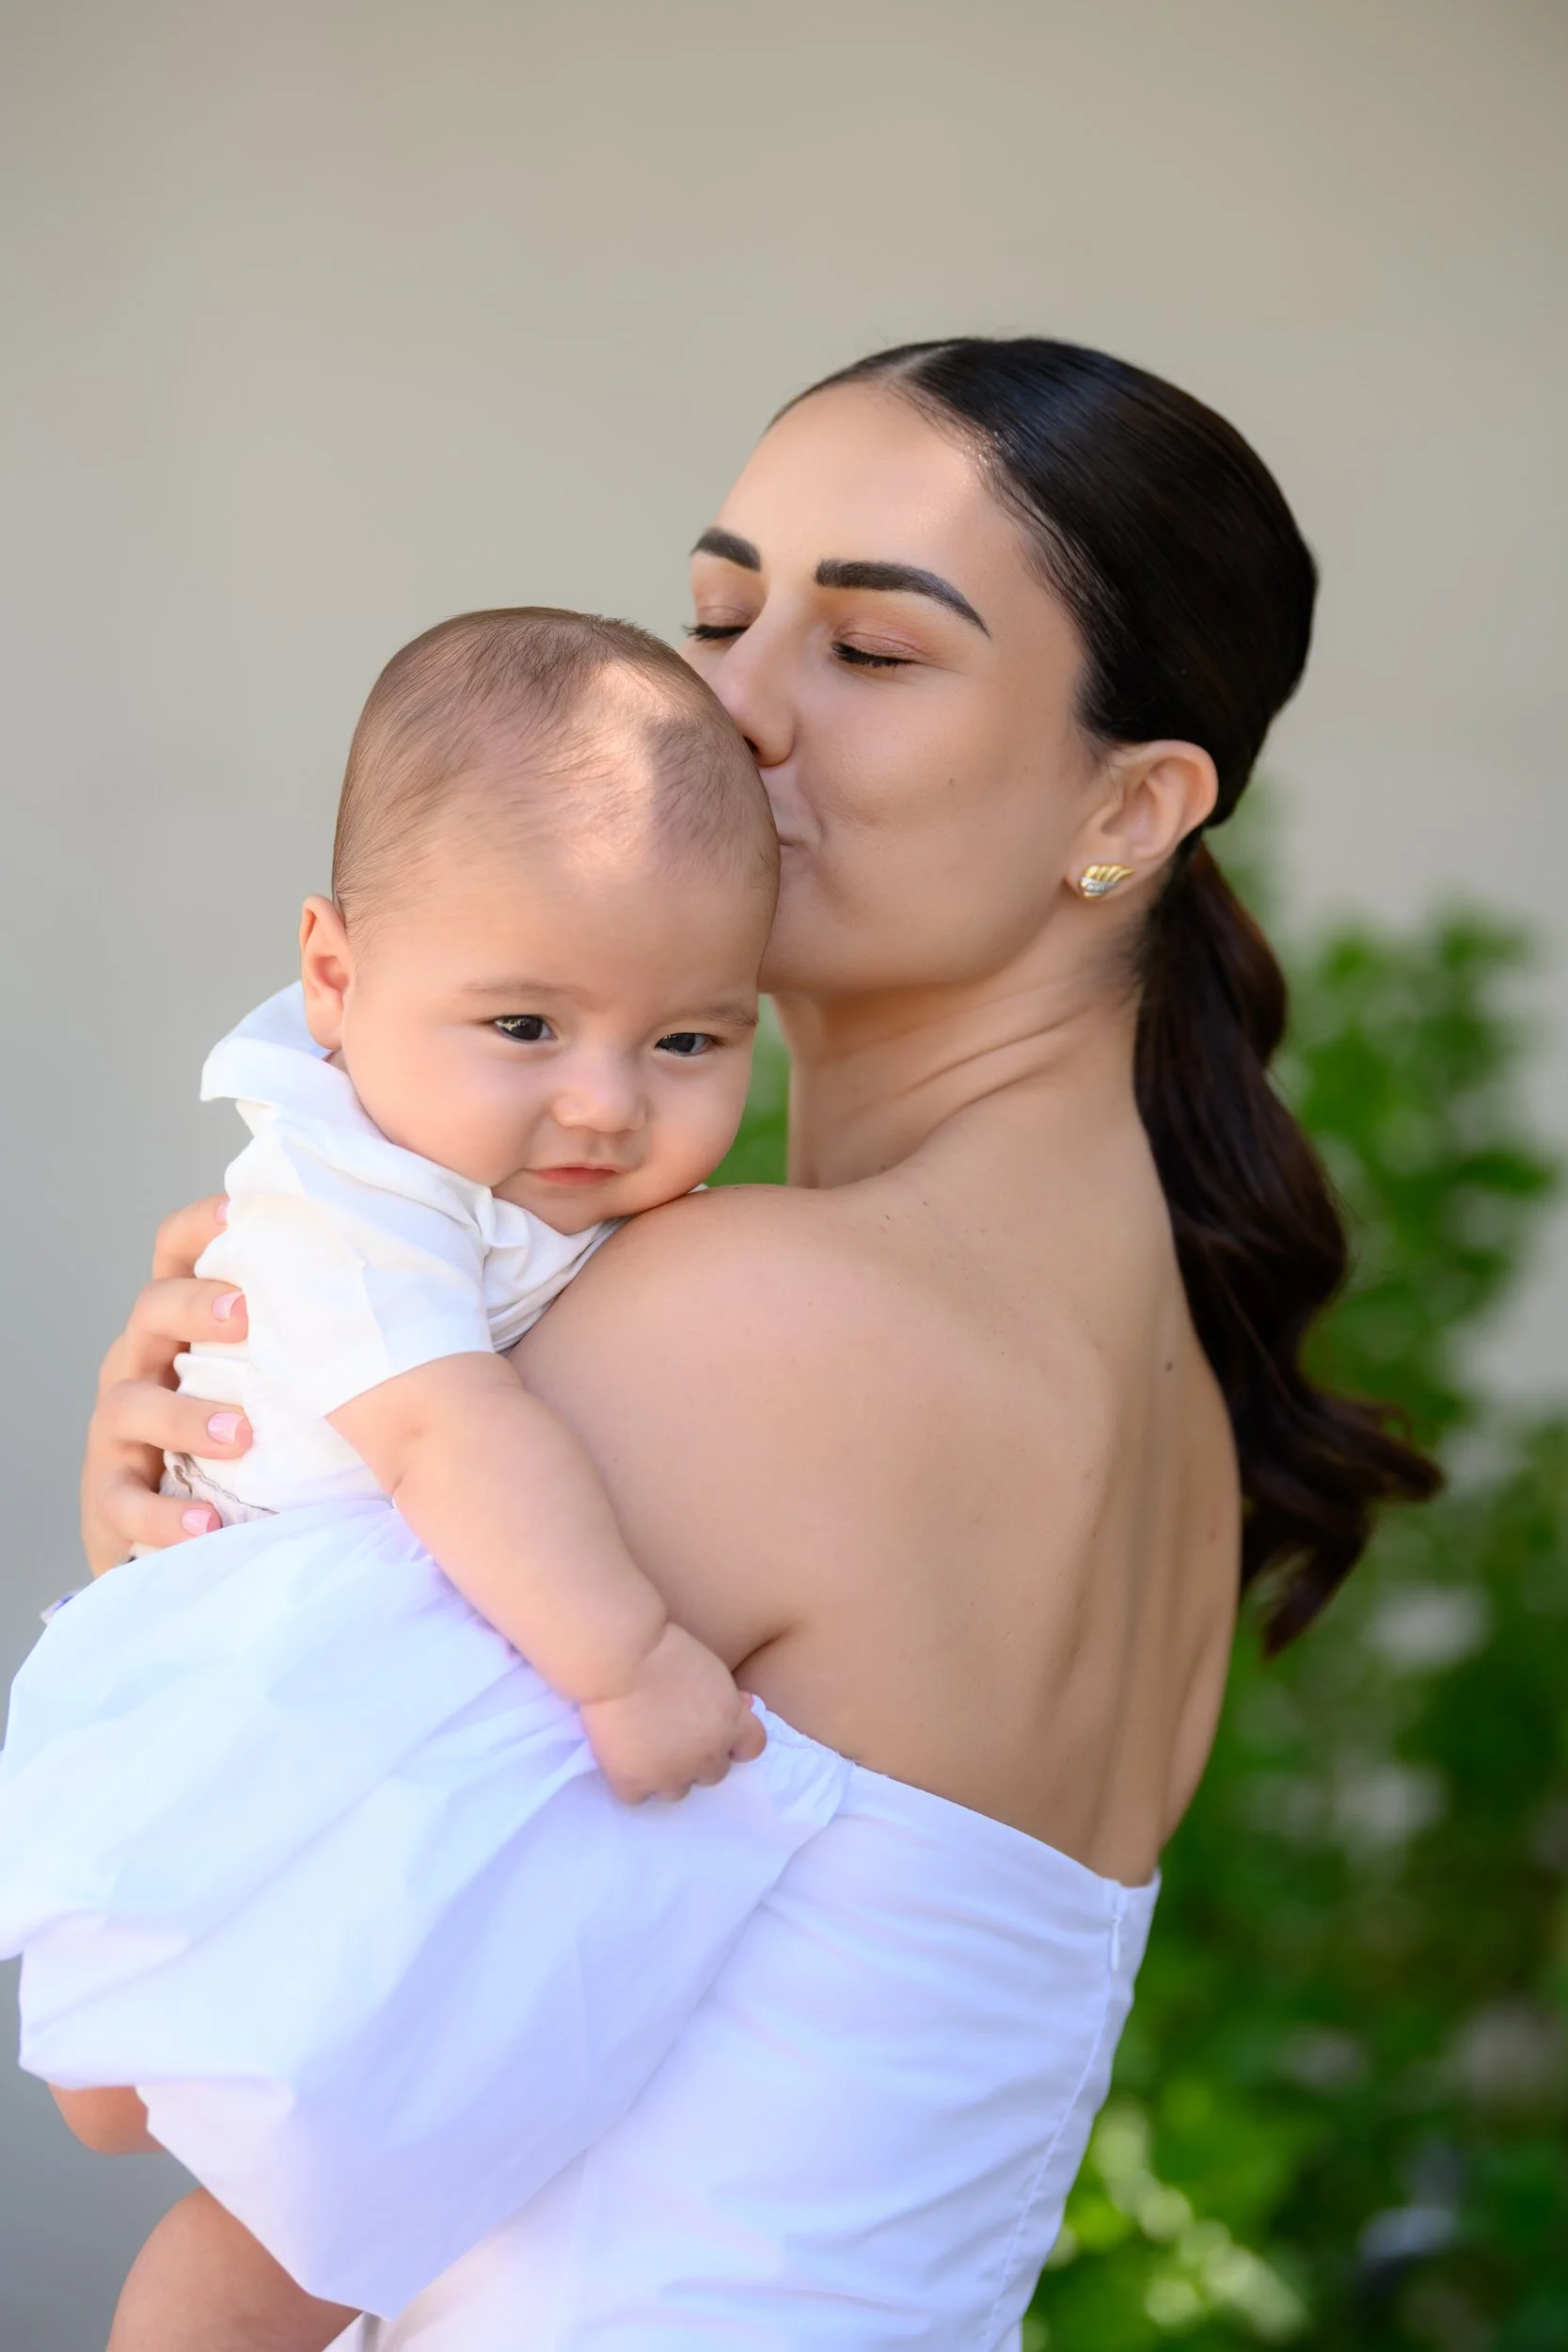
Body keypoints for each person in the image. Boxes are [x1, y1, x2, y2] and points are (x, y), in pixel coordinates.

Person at [73, 338, 1439, 2350]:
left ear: (1126, 806)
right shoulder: (1148, 1381)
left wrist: (168, 1564)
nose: (730, 705)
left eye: (870, 652)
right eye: (718, 612)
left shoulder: (758, 1319)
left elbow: (136, 2071)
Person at [3, 607, 792, 2350]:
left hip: (330, 1686)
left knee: (290, 2191)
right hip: (268, 1689)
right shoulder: (337, 1203)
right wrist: (625, 1664)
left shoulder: (522, 1185)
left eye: (690, 1044)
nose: (603, 1104)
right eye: (525, 1022)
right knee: (238, 2216)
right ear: (336, 979)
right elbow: (453, 1435)